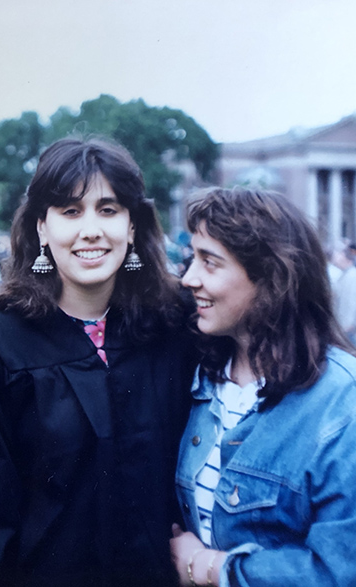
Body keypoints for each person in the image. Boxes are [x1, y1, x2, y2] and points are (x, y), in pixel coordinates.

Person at [0, 137, 197, 586]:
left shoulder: (173, 330)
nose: (90, 229)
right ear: (41, 227)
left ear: (133, 226)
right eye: (70, 211)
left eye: (109, 210)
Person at [171, 187, 356, 587]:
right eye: (192, 258)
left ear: (270, 277)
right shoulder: (202, 373)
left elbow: (338, 572)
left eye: (210, 262)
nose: (189, 278)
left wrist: (207, 568)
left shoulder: (342, 402)